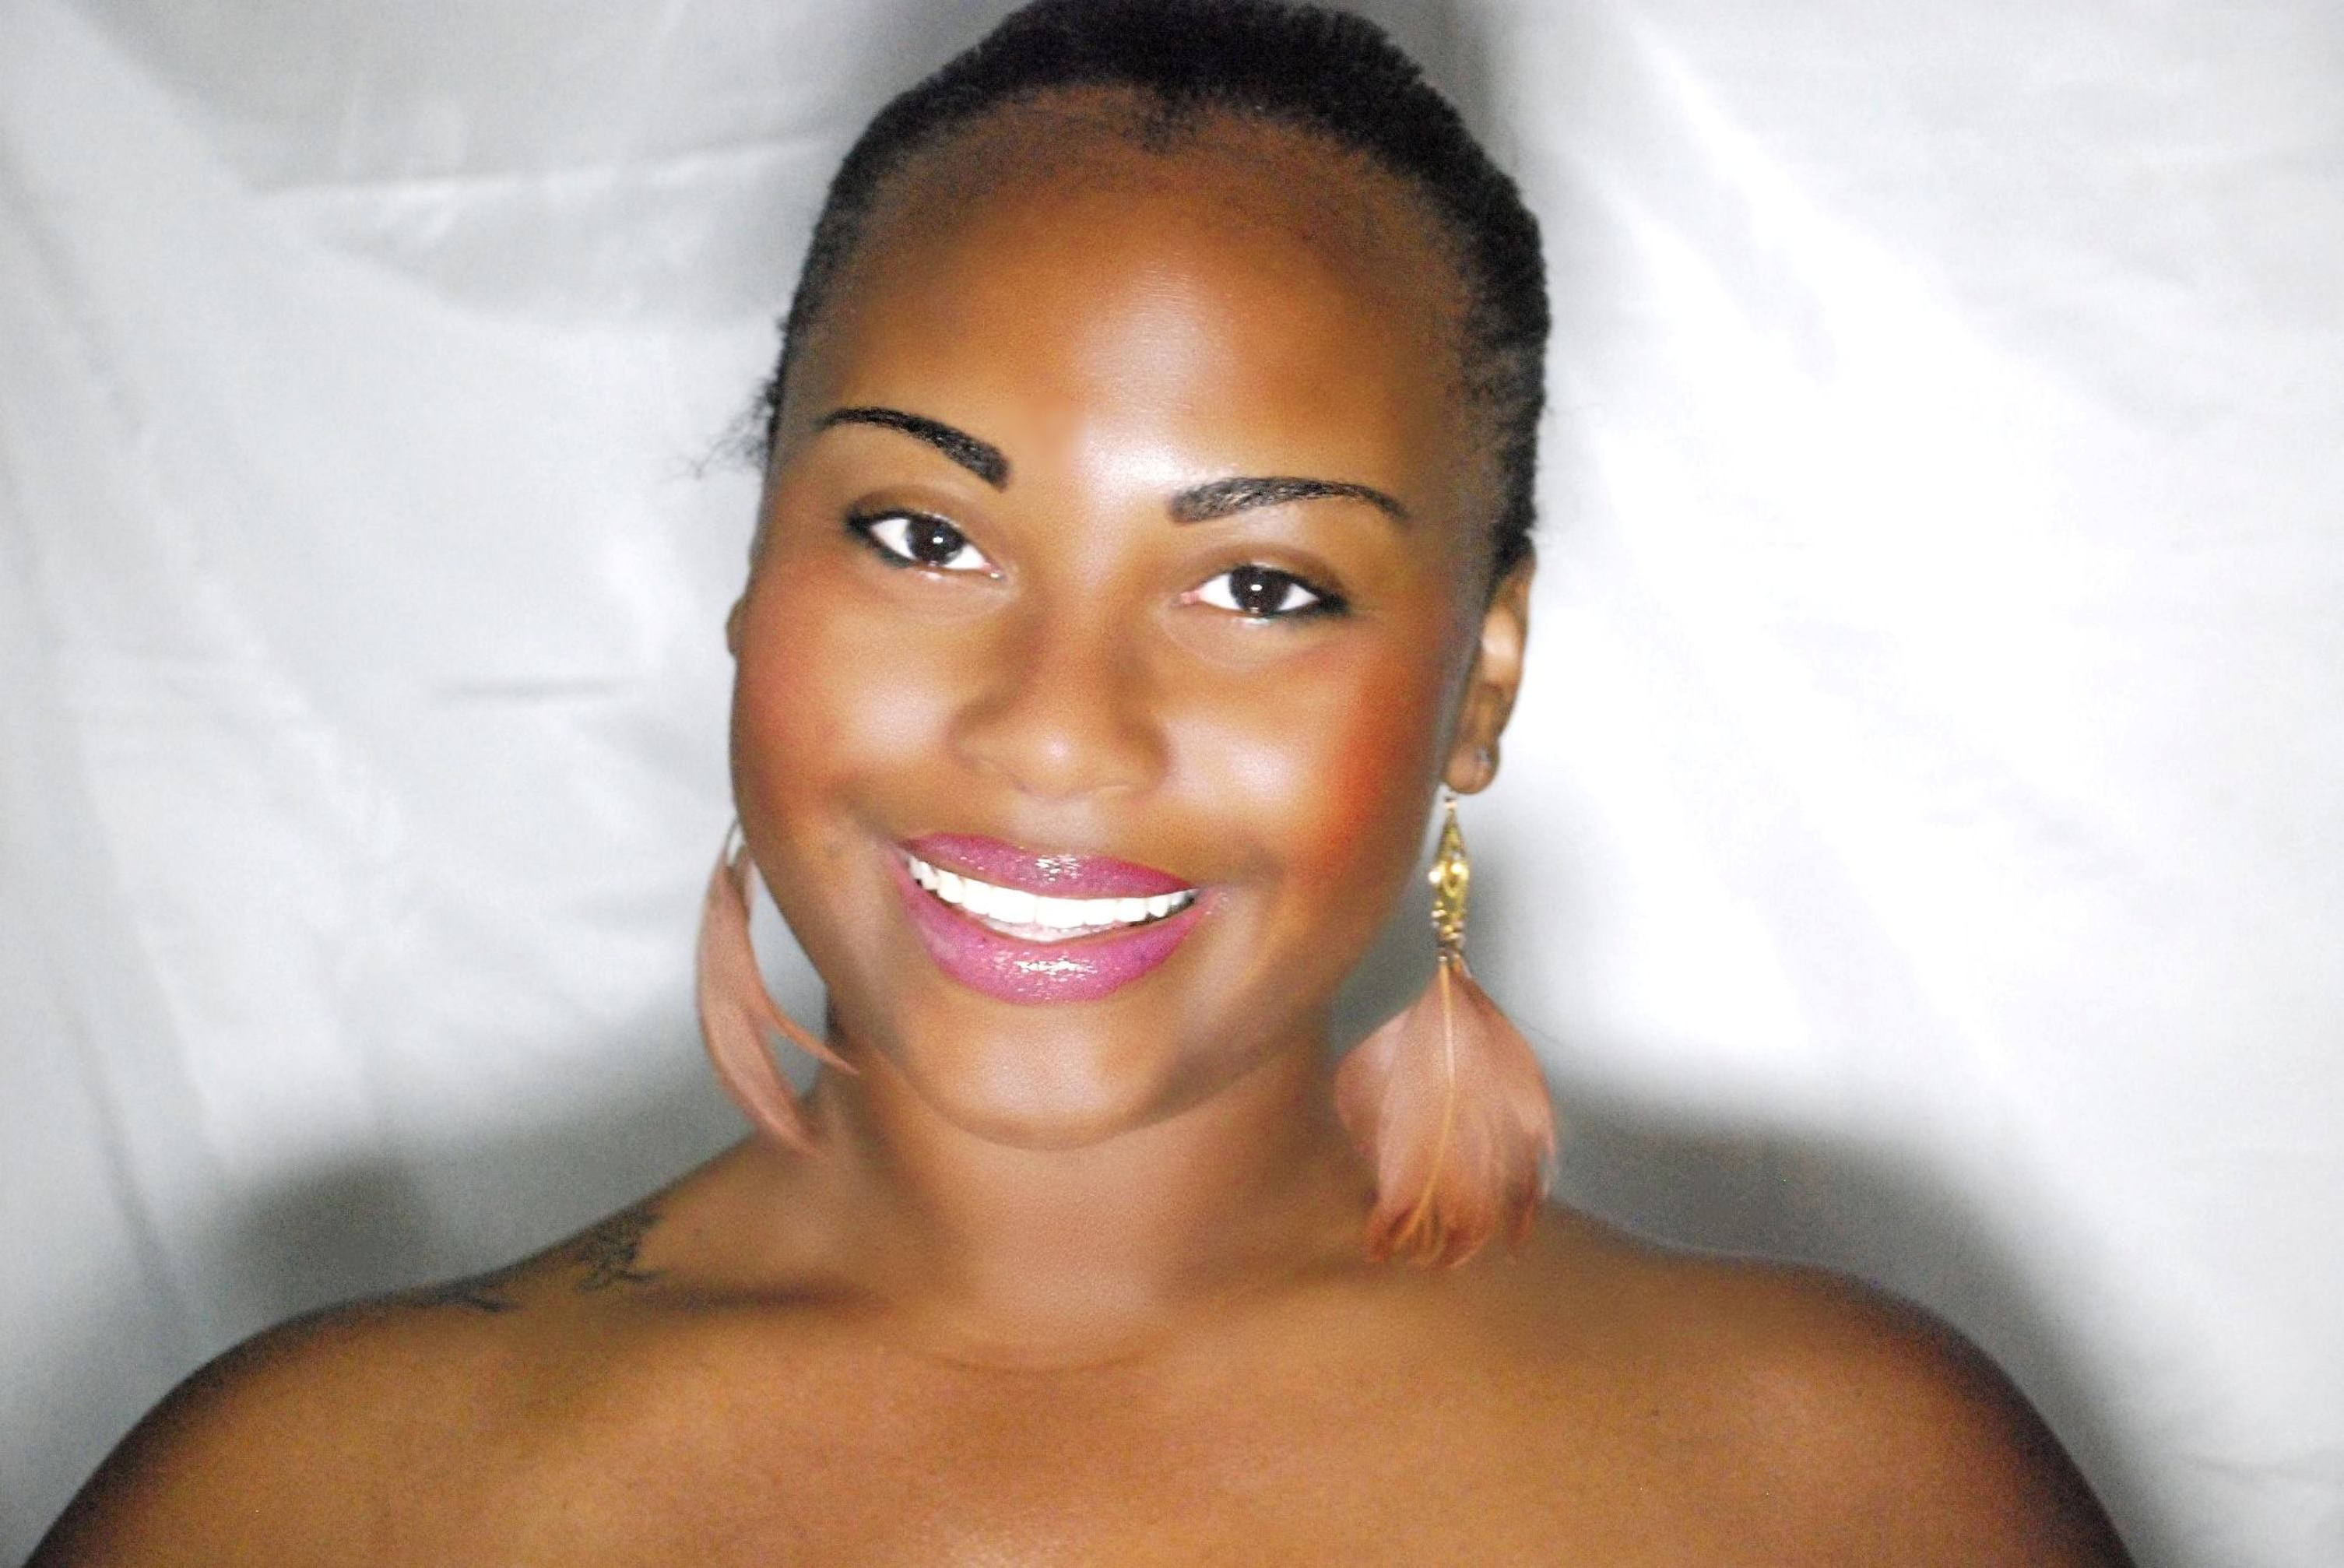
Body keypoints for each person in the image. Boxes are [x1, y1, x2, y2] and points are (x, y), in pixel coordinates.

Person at [31, 2, 2133, 1561]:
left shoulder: (1846, 1486)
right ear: (755, 577)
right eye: (922, 536)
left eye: (1259, 584)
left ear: (1478, 679)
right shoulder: (310, 1502)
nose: (1053, 730)